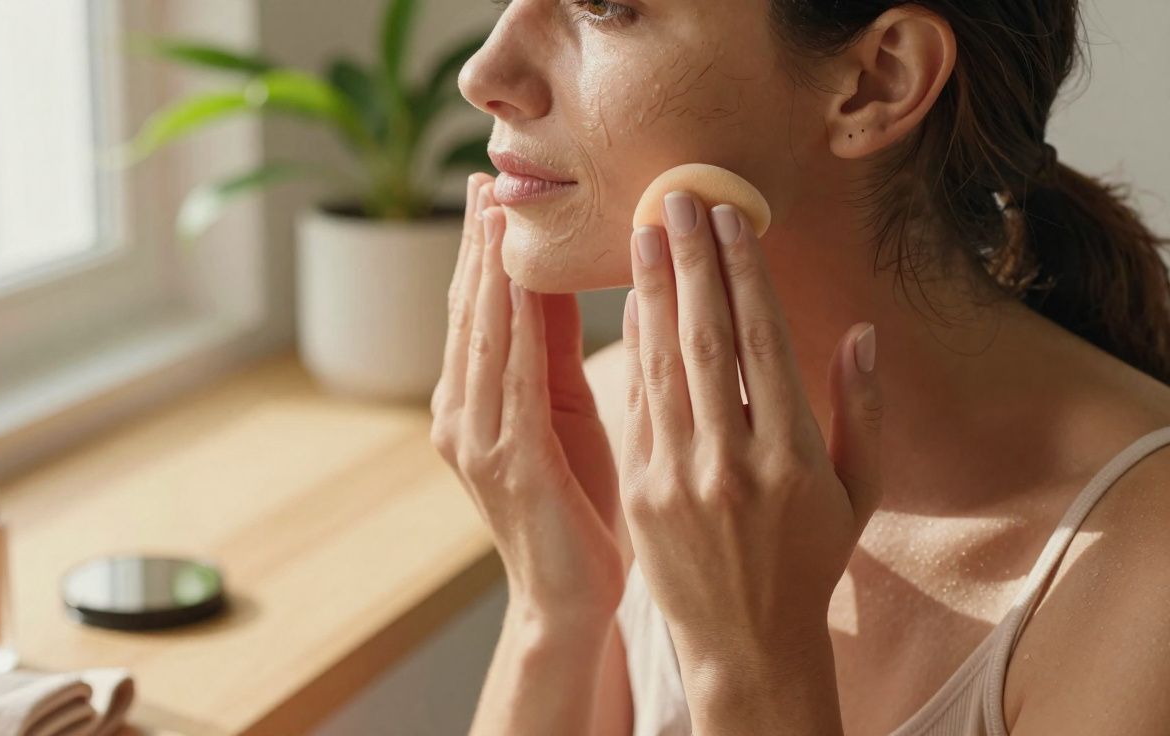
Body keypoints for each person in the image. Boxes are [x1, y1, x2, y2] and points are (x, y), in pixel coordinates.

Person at [429, 0, 1170, 733]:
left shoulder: (1145, 576)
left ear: (877, 81)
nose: (484, 72)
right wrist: (553, 613)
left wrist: (749, 664)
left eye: (603, 6)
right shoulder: (632, 426)